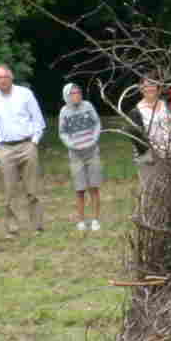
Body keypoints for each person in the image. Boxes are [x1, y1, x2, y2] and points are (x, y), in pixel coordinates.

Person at [0, 63, 46, 236]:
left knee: (32, 189)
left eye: (4, 77)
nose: (2, 80)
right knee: (9, 192)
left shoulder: (25, 94)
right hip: (5, 149)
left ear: (11, 77)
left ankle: (37, 226)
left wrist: (34, 142)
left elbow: (38, 120)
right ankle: (12, 229)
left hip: (27, 145)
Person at [58, 82, 105, 232]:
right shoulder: (64, 111)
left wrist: (94, 139)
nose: (77, 95)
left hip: (92, 152)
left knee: (94, 187)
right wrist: (71, 144)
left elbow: (97, 123)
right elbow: (63, 132)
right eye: (73, 93)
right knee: (80, 189)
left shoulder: (88, 106)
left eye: (78, 92)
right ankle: (81, 220)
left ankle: (96, 220)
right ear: (67, 96)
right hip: (76, 155)